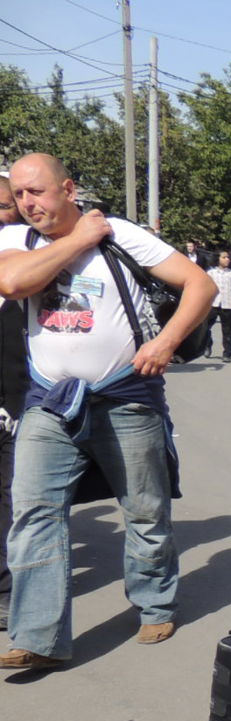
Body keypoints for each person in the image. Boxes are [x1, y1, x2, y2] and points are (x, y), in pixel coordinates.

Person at [0, 152, 216, 670]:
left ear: (68, 189)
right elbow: (13, 284)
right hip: (49, 402)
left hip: (125, 396)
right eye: (20, 195)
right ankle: (38, 635)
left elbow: (200, 285)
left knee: (144, 508)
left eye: (39, 192)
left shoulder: (122, 234)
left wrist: (166, 342)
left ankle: (155, 602)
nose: (28, 203)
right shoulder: (15, 241)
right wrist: (77, 240)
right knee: (33, 512)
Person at [0, 175, 26, 632]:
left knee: (14, 494)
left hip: (17, 401)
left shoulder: (31, 254)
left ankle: (9, 590)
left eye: (4, 206)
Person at [205, 250, 231, 363]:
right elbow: (205, 290)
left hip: (228, 305)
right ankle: (207, 344)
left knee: (228, 331)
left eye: (228, 257)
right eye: (224, 257)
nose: (227, 259)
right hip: (213, 304)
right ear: (217, 259)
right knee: (205, 327)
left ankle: (227, 353)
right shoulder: (211, 273)